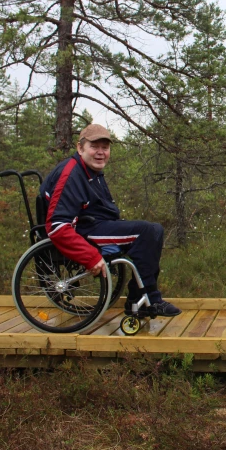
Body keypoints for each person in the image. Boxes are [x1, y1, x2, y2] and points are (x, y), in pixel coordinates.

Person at [39, 123, 181, 317]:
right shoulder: (71, 175)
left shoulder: (90, 171)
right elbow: (57, 227)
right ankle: (146, 302)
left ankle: (142, 299)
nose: (100, 153)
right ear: (80, 148)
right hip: (83, 231)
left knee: (152, 230)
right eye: (94, 147)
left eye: (105, 148)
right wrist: (90, 256)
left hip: (92, 224)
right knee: (148, 233)